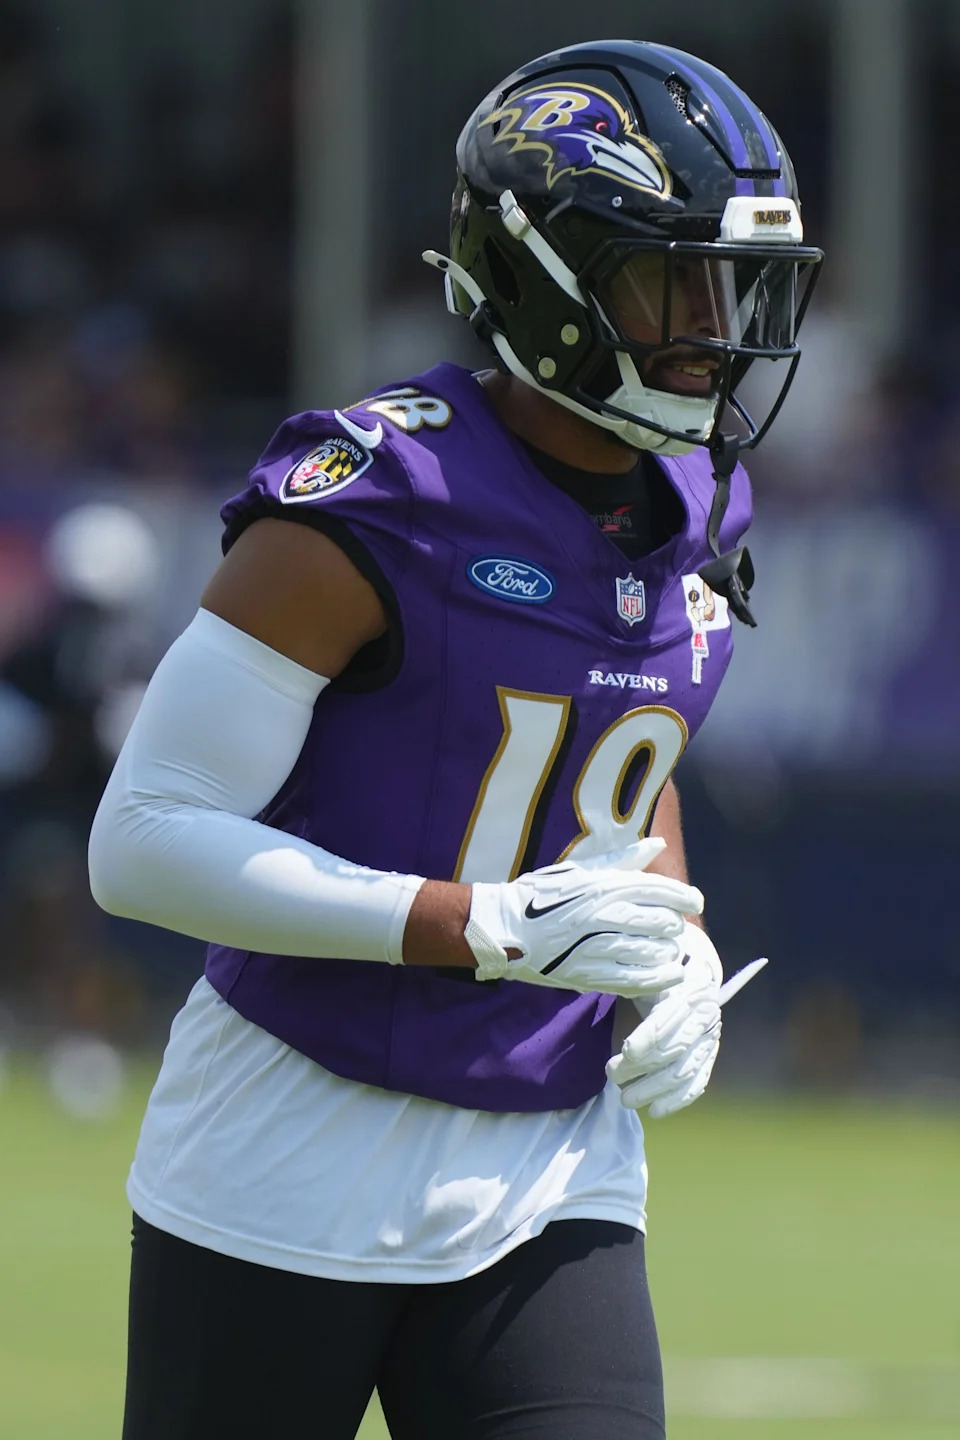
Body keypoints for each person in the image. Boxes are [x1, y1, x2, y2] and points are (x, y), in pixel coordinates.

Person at [88, 39, 821, 1440]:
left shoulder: (703, 503)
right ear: (545, 282)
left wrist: (671, 942)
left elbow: (624, 769)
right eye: (672, 278)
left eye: (732, 282)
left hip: (556, 1155)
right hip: (291, 1136)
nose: (715, 325)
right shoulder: (373, 504)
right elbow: (143, 841)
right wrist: (474, 924)